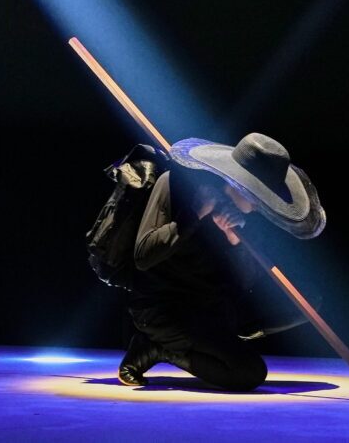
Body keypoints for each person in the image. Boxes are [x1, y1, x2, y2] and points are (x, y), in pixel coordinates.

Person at [118, 132, 325, 391]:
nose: (261, 205)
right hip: (166, 309)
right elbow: (143, 256)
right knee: (249, 373)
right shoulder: (174, 185)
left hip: (213, 307)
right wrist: (194, 214)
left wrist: (234, 241)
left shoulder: (246, 217)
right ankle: (159, 348)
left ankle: (214, 341)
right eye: (259, 195)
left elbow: (246, 282)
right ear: (240, 184)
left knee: (306, 300)